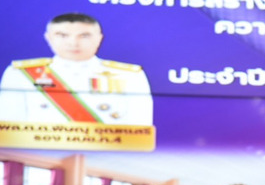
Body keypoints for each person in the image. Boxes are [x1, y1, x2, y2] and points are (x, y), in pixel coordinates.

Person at [0, 13, 153, 126]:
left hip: (109, 158)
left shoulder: (130, 75)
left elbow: (140, 129)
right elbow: (9, 129)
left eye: (84, 36)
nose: (73, 43)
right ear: (48, 38)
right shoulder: (19, 74)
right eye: (62, 35)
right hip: (37, 158)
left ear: (99, 38)